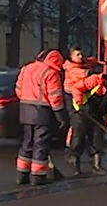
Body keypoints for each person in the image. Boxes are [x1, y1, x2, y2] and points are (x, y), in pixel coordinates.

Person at [15, 49, 69, 186]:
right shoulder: (51, 73)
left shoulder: (26, 68)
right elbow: (55, 97)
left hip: (25, 110)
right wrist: (60, 116)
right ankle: (37, 176)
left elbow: (18, 90)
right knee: (40, 144)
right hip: (42, 113)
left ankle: (22, 174)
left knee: (27, 143)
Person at [69, 71, 107, 175]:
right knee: (78, 139)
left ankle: (97, 166)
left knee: (97, 140)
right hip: (81, 113)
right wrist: (79, 104)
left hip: (96, 116)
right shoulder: (95, 81)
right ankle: (75, 165)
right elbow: (76, 88)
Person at [62, 46, 100, 160]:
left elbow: (91, 62)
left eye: (81, 54)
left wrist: (97, 61)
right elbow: (84, 73)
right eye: (77, 55)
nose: (81, 56)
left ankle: (81, 151)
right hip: (71, 96)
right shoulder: (71, 67)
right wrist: (95, 70)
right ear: (71, 56)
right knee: (76, 123)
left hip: (81, 96)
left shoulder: (83, 63)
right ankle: (70, 149)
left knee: (86, 124)